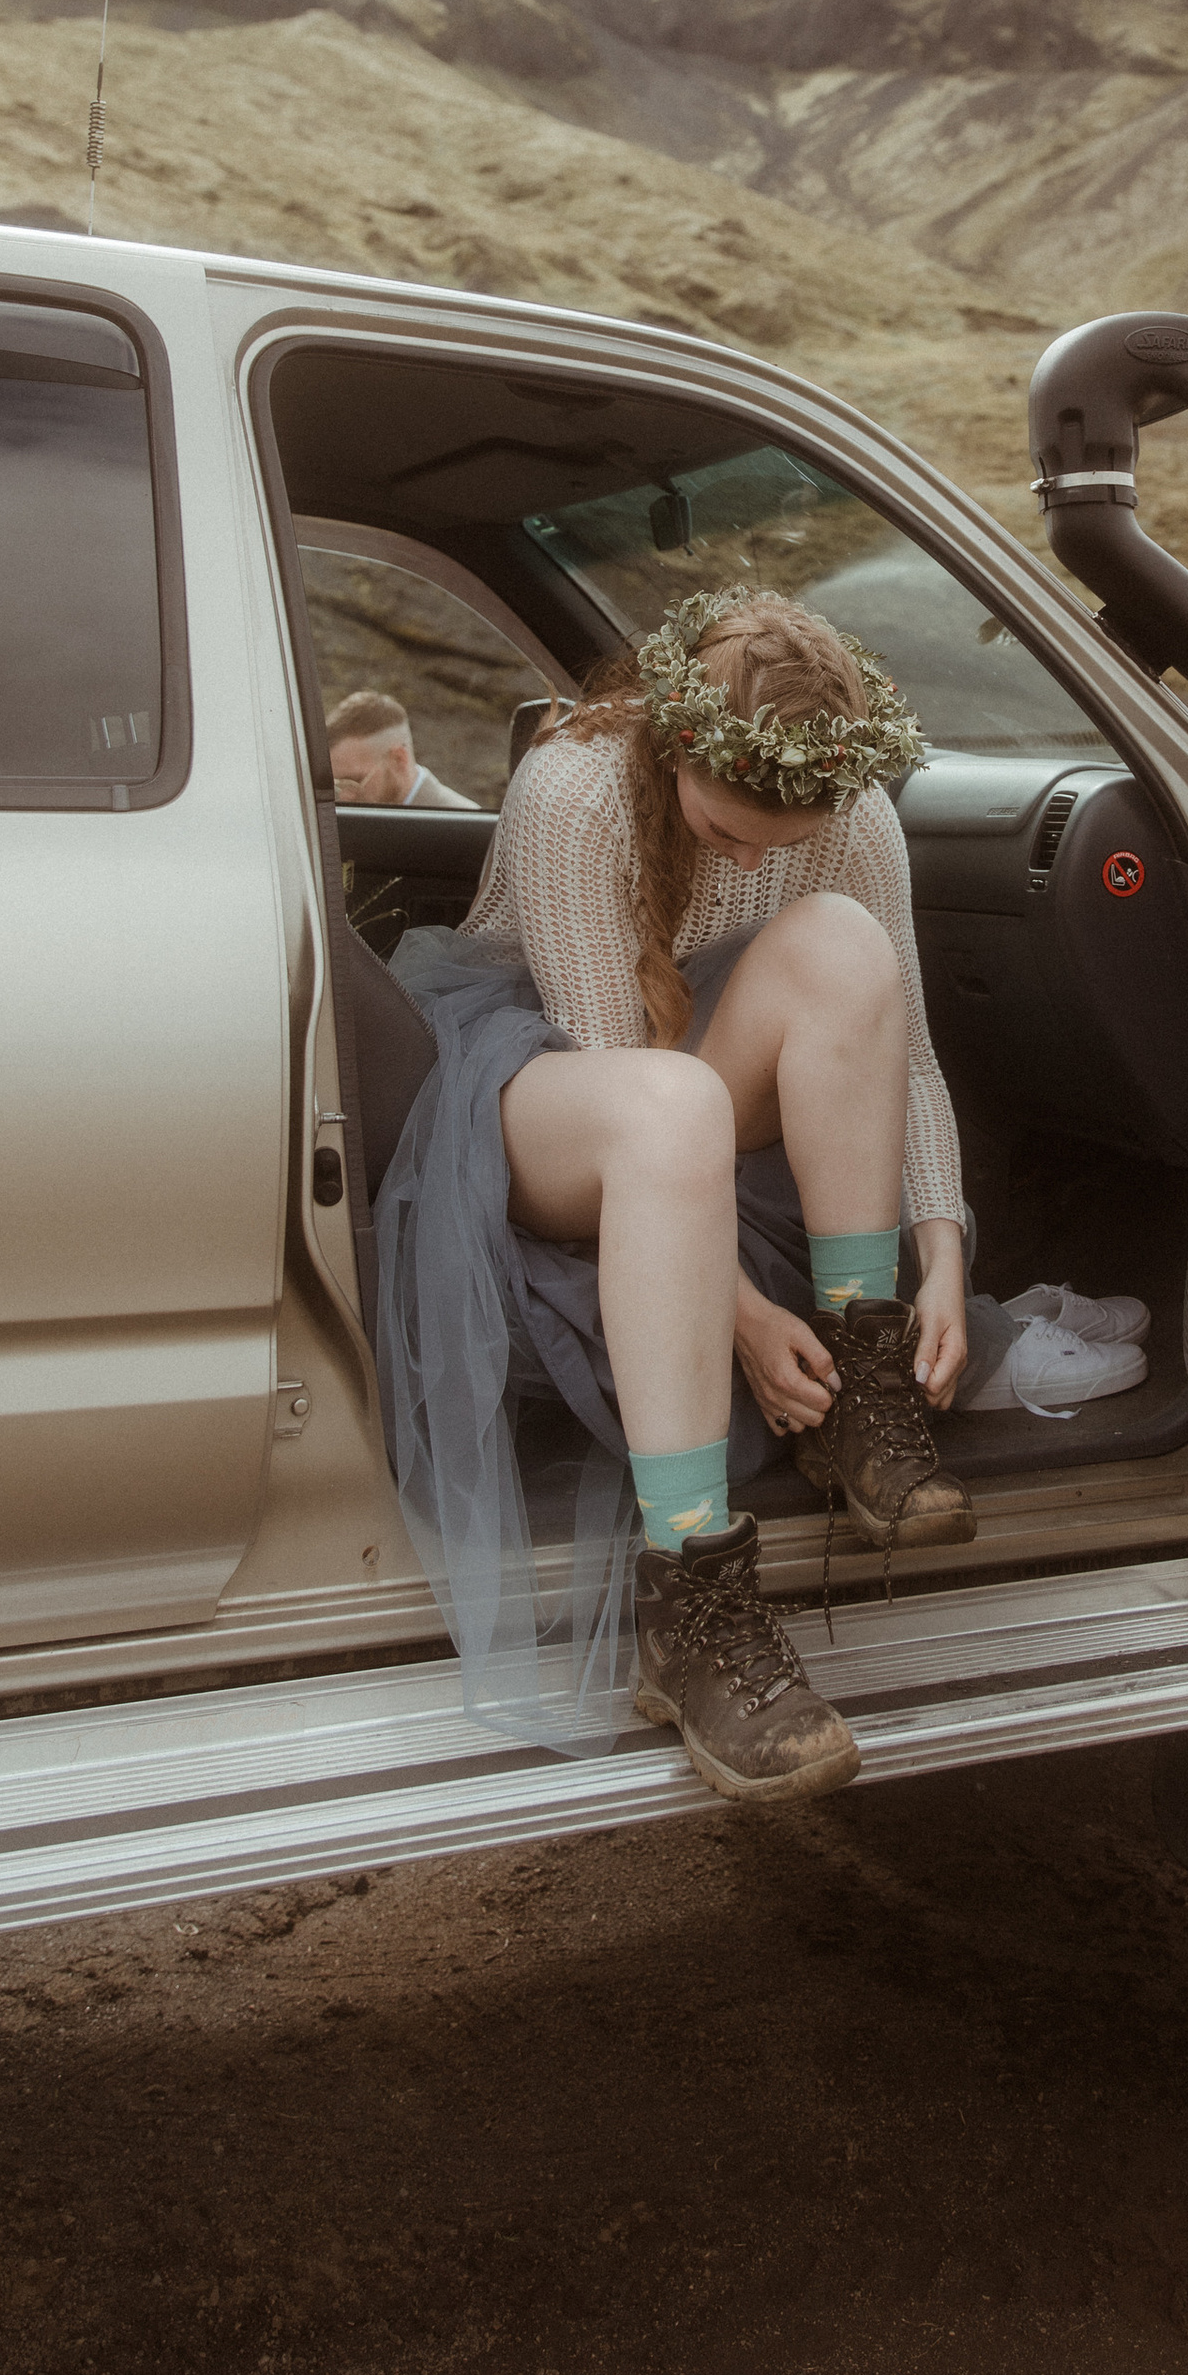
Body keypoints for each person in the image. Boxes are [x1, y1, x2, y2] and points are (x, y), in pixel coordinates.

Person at [373, 586, 969, 1804]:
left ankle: (863, 1384)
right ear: (676, 741)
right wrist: (745, 1320)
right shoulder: (577, 789)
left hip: (686, 1077)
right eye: (725, 830)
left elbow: (902, 1056)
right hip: (546, 1088)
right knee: (667, 1101)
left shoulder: (842, 804)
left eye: (779, 845)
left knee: (847, 944)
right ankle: (694, 1595)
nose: (750, 861)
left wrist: (941, 1255)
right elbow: (616, 1063)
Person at [326, 688, 476, 809]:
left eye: (354, 780)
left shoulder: (469, 829)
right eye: (337, 783)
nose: (345, 795)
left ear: (398, 759)